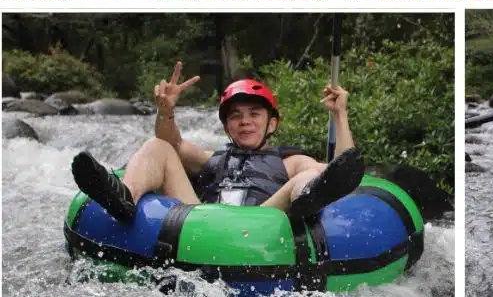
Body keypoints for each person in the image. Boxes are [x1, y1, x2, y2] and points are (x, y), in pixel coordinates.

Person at [69, 61, 364, 223]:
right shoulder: (212, 158)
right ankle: (124, 199)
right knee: (156, 146)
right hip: (203, 221)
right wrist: (166, 110)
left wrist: (340, 115)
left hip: (262, 219)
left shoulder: (289, 161)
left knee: (311, 175)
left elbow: (341, 170)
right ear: (226, 127)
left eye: (254, 114)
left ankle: (307, 201)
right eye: (236, 116)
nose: (245, 121)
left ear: (272, 123)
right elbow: (170, 141)